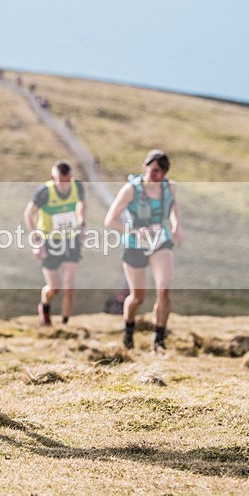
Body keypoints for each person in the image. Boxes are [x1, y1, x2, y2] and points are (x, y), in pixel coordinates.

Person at [104, 149, 184, 353]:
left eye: (163, 172)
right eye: (155, 170)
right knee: (137, 297)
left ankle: (159, 341)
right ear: (145, 167)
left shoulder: (169, 187)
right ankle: (128, 331)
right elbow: (110, 221)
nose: (158, 175)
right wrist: (134, 232)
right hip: (134, 244)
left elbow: (173, 207)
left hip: (160, 241)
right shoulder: (130, 190)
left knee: (164, 291)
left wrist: (176, 225)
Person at [23, 161, 86, 326]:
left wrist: (82, 225)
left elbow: (81, 205)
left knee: (69, 287)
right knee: (54, 287)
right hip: (49, 241)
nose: (65, 184)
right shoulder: (44, 192)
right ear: (54, 177)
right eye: (61, 180)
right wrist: (36, 241)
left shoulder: (77, 186)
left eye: (68, 179)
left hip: (70, 240)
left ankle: (65, 323)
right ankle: (44, 307)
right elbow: (28, 214)